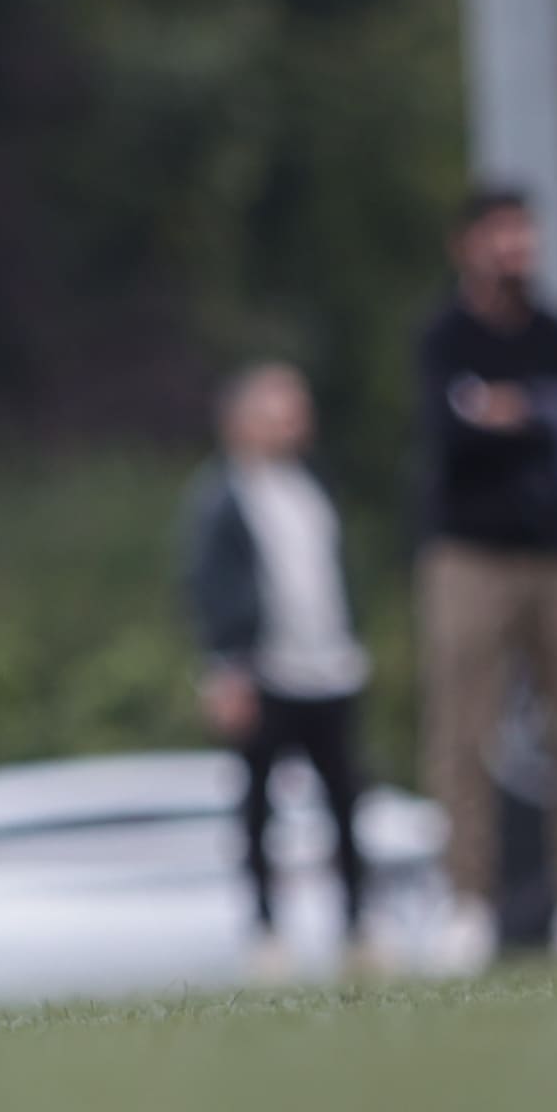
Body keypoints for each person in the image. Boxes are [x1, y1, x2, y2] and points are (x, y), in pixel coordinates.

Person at [417, 184, 557, 975]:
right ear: (468, 245)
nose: (515, 249)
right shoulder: (445, 338)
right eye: (499, 234)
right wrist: (523, 424)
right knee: (462, 732)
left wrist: (516, 416)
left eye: (524, 234)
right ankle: (467, 904)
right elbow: (451, 438)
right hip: (471, 554)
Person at [185, 363, 370, 974]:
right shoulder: (222, 498)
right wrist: (226, 668)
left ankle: (358, 926)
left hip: (329, 669)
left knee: (345, 802)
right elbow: (209, 589)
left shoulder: (313, 487)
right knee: (259, 808)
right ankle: (266, 931)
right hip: (265, 672)